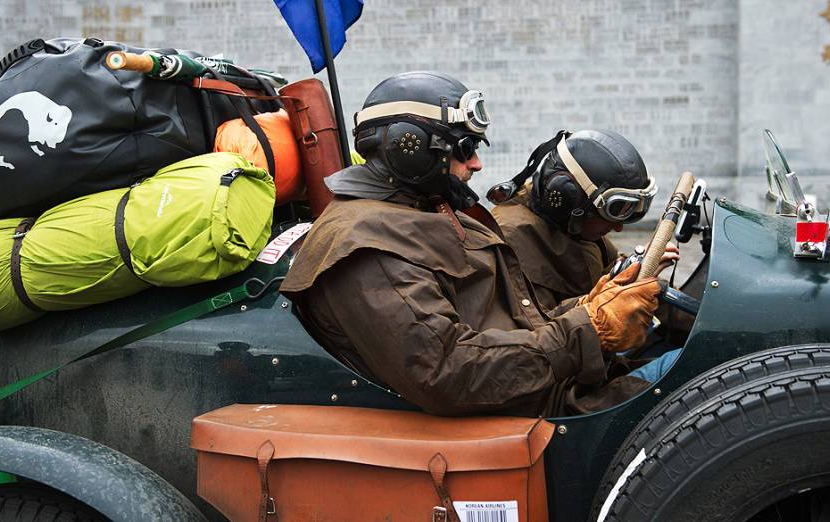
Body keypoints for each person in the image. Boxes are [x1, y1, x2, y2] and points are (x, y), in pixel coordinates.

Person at [280, 71, 665, 417]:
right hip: (540, 416)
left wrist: (590, 305)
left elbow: (512, 321)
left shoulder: (424, 212)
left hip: (549, 393)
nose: (477, 164)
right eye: (464, 148)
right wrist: (589, 329)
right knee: (702, 377)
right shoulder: (367, 248)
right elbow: (449, 370)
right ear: (407, 147)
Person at [489, 130, 679, 312]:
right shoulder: (509, 240)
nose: (619, 227)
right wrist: (617, 291)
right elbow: (539, 331)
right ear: (567, 199)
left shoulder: (577, 230)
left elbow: (606, 276)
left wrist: (636, 270)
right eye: (612, 211)